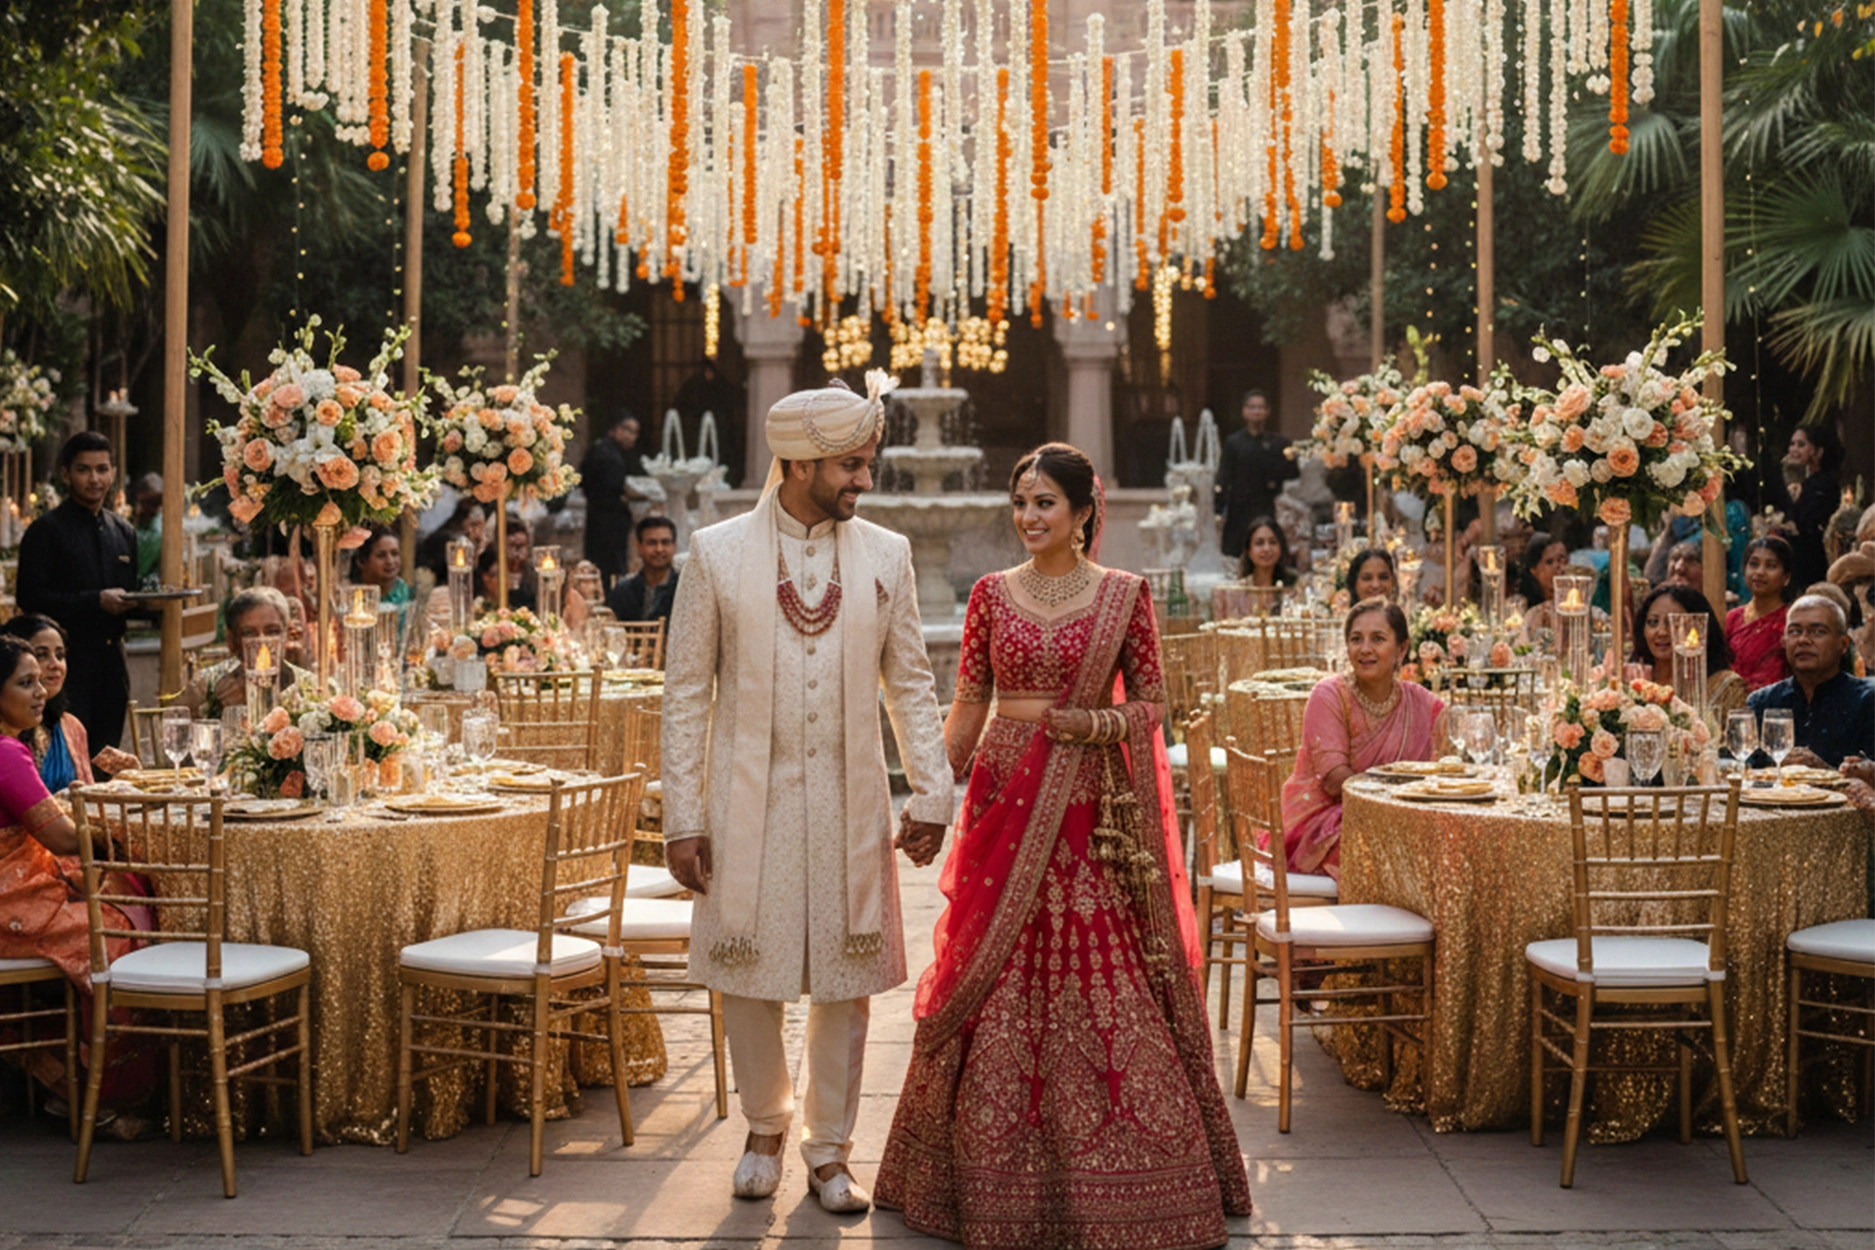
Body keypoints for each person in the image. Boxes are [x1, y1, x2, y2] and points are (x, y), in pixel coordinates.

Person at [875, 442, 1251, 1248]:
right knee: (989, 965)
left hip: (1087, 801)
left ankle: (1123, 1171)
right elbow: (968, 708)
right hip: (1004, 798)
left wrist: (1095, 723)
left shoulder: (1125, 595)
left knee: (1099, 965)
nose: (1028, 517)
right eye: (1019, 502)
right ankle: (978, 1174)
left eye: (1043, 502)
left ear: (1083, 512)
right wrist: (930, 796)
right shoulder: (987, 595)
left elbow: (1154, 703)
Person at [661, 371, 953, 1215]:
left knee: (844, 982)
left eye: (868, 463)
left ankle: (829, 1152)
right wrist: (684, 815)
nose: (866, 479)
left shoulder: (886, 555)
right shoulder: (715, 554)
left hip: (849, 799)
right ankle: (763, 1127)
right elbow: (685, 693)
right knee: (745, 973)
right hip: (743, 801)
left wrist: (931, 793)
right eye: (852, 465)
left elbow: (911, 685)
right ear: (798, 464)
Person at [0, 637, 153, 1135]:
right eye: (25, 682)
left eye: (40, 680)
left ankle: (70, 1088)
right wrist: (117, 829)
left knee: (120, 900)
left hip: (16, 889)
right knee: (116, 934)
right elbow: (62, 835)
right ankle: (98, 1099)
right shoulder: (6, 753)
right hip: (11, 900)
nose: (41, 690)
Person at [1280, 600, 1446, 882]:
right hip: (1328, 825)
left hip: (1402, 819)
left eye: (1378, 639)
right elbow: (1334, 780)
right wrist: (1392, 806)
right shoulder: (1330, 695)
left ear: (1402, 649)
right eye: (1356, 639)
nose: (1365, 649)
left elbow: (1446, 771)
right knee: (1382, 842)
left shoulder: (1422, 704)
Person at [16, 432, 141, 753]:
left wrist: (151, 602)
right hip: (67, 663)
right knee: (66, 755)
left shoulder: (123, 531)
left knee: (106, 756)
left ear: (113, 472)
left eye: (102, 469)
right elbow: (30, 598)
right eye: (84, 469)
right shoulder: (46, 531)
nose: (95, 479)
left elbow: (132, 595)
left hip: (113, 662)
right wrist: (95, 601)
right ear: (65, 474)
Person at [0, 615, 140, 789]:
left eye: (60, 655)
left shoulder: (71, 728)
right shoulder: (6, 737)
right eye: (42, 655)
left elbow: (87, 797)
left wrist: (127, 778)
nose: (55, 664)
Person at [1747, 594, 1875, 768]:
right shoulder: (1762, 702)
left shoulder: (1866, 701)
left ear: (1843, 645)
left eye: (1818, 632)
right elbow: (1744, 772)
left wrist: (1825, 773)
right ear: (1784, 642)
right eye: (1795, 631)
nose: (1803, 640)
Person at [174, 588, 310, 722]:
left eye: (273, 631)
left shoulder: (310, 687)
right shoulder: (206, 685)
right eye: (249, 633)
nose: (261, 643)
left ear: (287, 635)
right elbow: (174, 728)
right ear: (232, 641)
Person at [1626, 584, 1747, 720]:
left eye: (1674, 623)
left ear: (1698, 630)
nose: (1661, 632)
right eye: (1653, 622)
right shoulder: (1633, 682)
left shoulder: (1725, 687)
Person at [1216, 389, 1298, 560]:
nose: (1256, 412)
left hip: (1268, 507)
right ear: (1244, 411)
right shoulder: (1234, 443)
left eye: (1260, 408)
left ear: (1267, 411)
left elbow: (1293, 474)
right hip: (1239, 510)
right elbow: (1224, 476)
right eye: (1252, 407)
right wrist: (1218, 509)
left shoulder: (1280, 443)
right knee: (1236, 555)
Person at [579, 411, 647, 590]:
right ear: (616, 429)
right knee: (611, 569)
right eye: (629, 431)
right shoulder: (608, 455)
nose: (633, 437)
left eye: (636, 433)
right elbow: (611, 489)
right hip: (609, 523)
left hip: (599, 519)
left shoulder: (602, 450)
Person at [1726, 535, 1796, 691]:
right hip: (1731, 709)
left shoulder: (1791, 621)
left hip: (1775, 709)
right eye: (1754, 564)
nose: (1759, 572)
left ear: (1786, 578)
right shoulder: (1732, 618)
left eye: (1770, 566)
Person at [1781, 424, 1842, 589]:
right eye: (1792, 444)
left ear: (1818, 452)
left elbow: (1804, 523)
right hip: (1796, 563)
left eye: (1801, 445)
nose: (1794, 449)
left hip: (1814, 563)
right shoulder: (1800, 482)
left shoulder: (1825, 483)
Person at [605, 515, 679, 623]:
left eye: (665, 542)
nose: (659, 549)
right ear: (639, 547)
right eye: (652, 543)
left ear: (674, 546)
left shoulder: (683, 589)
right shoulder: (622, 591)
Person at [348, 525, 413, 605]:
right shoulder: (350, 598)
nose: (390, 561)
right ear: (362, 561)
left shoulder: (404, 592)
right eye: (381, 555)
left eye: (394, 553)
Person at [1241, 515, 1298, 587]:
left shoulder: (1295, 585)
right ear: (1249, 550)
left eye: (1273, 542)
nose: (1267, 548)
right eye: (1259, 543)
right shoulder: (1241, 589)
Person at [130, 473, 163, 583]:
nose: (147, 507)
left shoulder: (157, 529)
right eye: (143, 503)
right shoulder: (144, 522)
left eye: (154, 503)